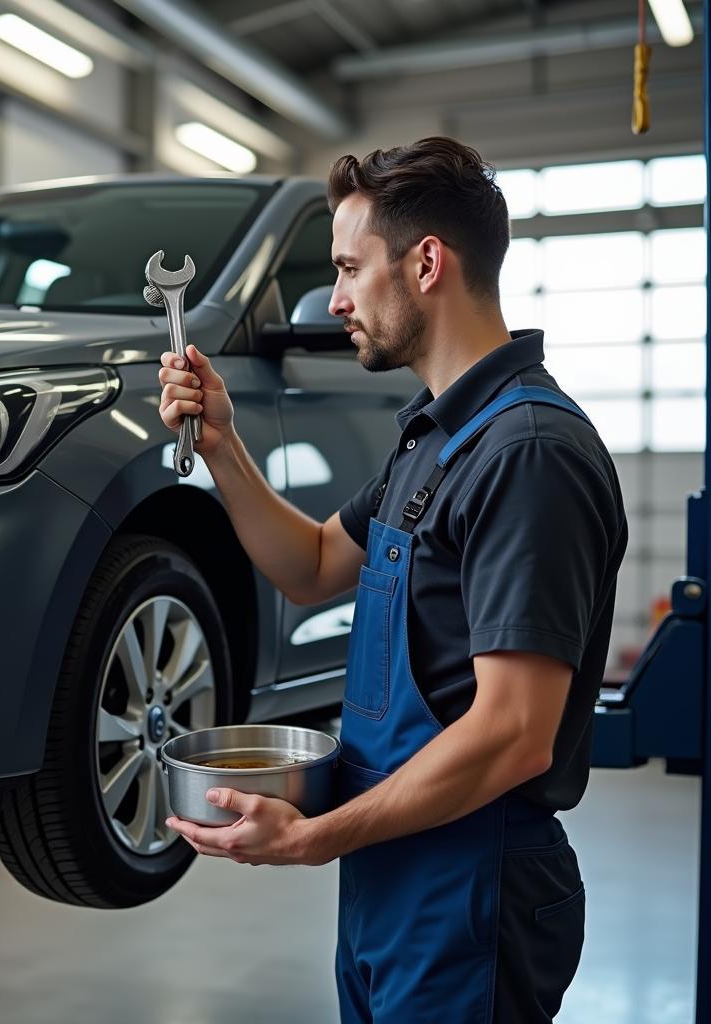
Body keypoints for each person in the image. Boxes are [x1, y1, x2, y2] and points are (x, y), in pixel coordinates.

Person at [156, 136, 628, 1023]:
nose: (333, 299)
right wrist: (220, 443)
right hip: (395, 866)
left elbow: (515, 735)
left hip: (471, 884)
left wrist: (314, 838)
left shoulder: (526, 454)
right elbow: (313, 565)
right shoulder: (437, 438)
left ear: (425, 263)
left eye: (346, 267)